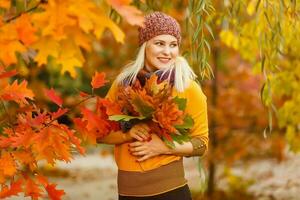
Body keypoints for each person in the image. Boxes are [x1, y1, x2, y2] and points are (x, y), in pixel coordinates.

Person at [97, 11, 209, 200]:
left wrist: (164, 147)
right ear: (144, 46)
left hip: (170, 191)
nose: (167, 52)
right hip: (128, 193)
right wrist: (126, 134)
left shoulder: (187, 87)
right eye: (159, 43)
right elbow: (99, 133)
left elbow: (201, 144)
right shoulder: (122, 84)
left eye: (173, 45)